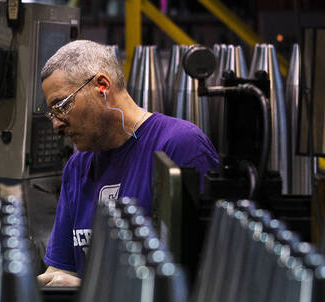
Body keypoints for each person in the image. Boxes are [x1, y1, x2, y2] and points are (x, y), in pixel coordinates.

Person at [36, 40, 218, 286]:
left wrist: (87, 291)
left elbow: (202, 279)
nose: (57, 124)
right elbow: (62, 270)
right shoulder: (78, 167)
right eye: (53, 113)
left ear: (102, 86)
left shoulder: (180, 147)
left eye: (62, 106)